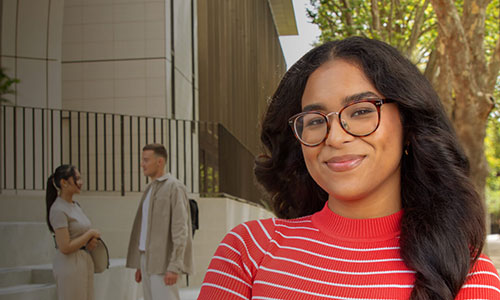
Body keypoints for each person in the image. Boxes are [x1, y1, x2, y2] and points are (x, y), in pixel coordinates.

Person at [198, 37, 500, 299]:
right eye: (315, 120)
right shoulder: (250, 250)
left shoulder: (467, 276)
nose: (336, 136)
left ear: (409, 125)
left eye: (361, 112)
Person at [126, 143, 193, 300]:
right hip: (146, 260)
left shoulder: (174, 187)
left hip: (164, 263)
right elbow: (143, 229)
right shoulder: (150, 189)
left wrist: (174, 265)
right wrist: (140, 264)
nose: (142, 164)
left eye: (146, 160)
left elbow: (180, 229)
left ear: (160, 161)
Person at [46, 165, 100, 300]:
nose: (80, 182)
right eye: (77, 178)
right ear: (64, 183)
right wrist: (89, 234)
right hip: (69, 265)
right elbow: (65, 246)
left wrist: (89, 243)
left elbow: (78, 236)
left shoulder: (75, 206)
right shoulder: (58, 210)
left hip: (84, 261)